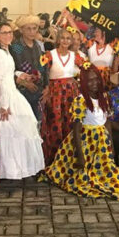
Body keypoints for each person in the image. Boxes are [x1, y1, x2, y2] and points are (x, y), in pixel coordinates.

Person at [45, 66, 119, 200]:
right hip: (86, 143)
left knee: (108, 174)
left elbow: (106, 122)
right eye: (89, 81)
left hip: (102, 142)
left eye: (96, 79)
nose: (94, 83)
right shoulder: (81, 100)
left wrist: (111, 146)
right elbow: (76, 130)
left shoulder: (104, 98)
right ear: (83, 82)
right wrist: (80, 156)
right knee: (84, 177)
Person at [0, 21, 45, 180]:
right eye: (4, 33)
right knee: (10, 132)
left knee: (21, 131)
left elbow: (10, 71)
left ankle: (19, 168)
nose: (8, 35)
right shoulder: (3, 51)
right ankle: (9, 170)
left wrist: (20, 75)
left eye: (9, 32)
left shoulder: (9, 51)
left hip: (14, 91)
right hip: (6, 95)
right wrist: (4, 104)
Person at [39, 28, 87, 165]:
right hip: (55, 93)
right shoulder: (50, 55)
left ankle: (70, 156)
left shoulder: (74, 56)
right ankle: (54, 157)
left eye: (68, 38)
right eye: (63, 38)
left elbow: (86, 67)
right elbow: (41, 71)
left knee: (70, 122)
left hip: (71, 93)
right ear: (58, 39)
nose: (65, 41)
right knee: (55, 122)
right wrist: (46, 88)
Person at [10, 15, 48, 120]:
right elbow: (12, 70)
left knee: (38, 121)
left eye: (34, 28)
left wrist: (47, 87)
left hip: (39, 92)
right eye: (28, 29)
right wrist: (25, 83)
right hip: (22, 92)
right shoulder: (16, 47)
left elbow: (44, 65)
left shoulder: (38, 46)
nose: (32, 32)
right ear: (21, 30)